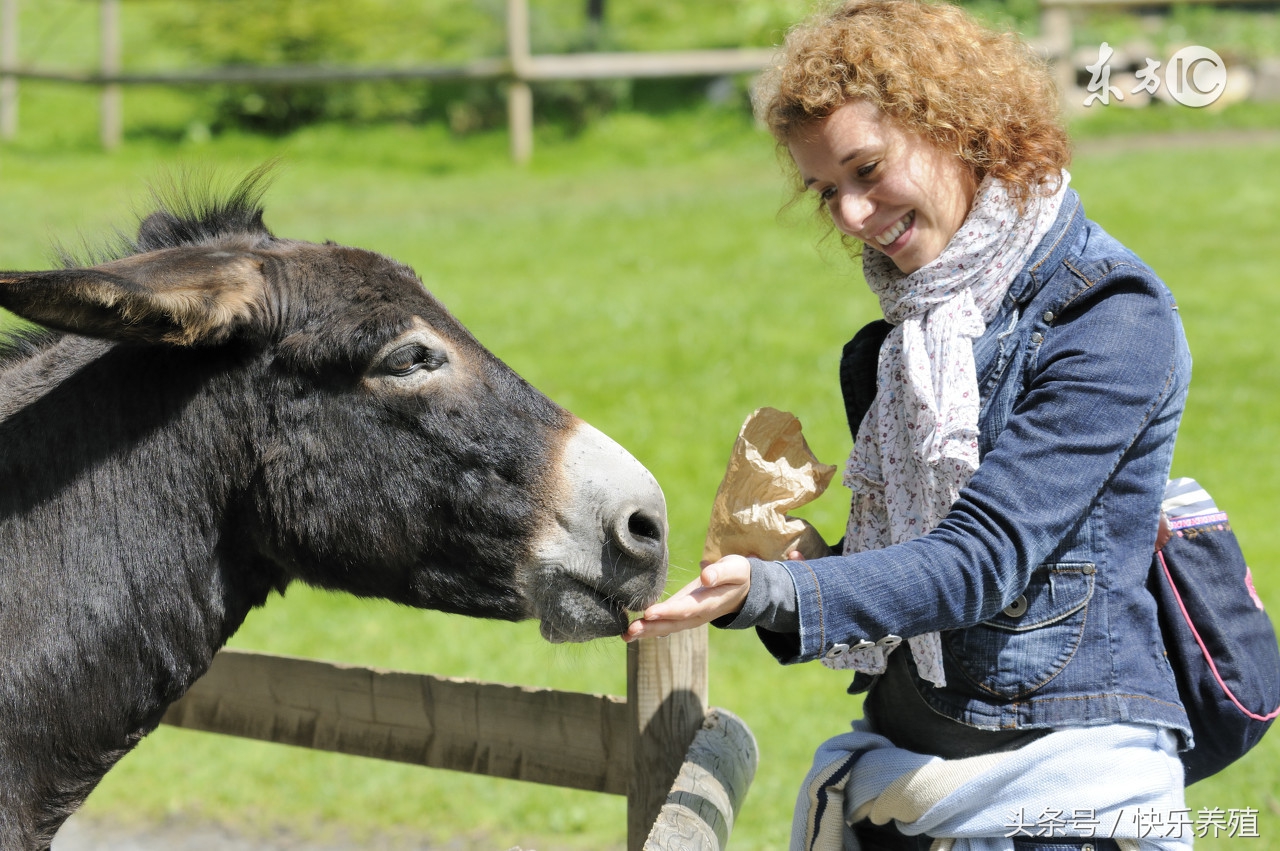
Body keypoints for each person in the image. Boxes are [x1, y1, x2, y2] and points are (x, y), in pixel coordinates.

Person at [623, 1, 1194, 849]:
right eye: (827, 190)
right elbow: (903, 586)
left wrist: (776, 592)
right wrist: (795, 565)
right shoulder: (909, 339)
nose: (852, 215)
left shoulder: (1109, 316)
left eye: (867, 168)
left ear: (959, 127)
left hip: (1059, 805)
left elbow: (980, 562)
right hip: (903, 782)